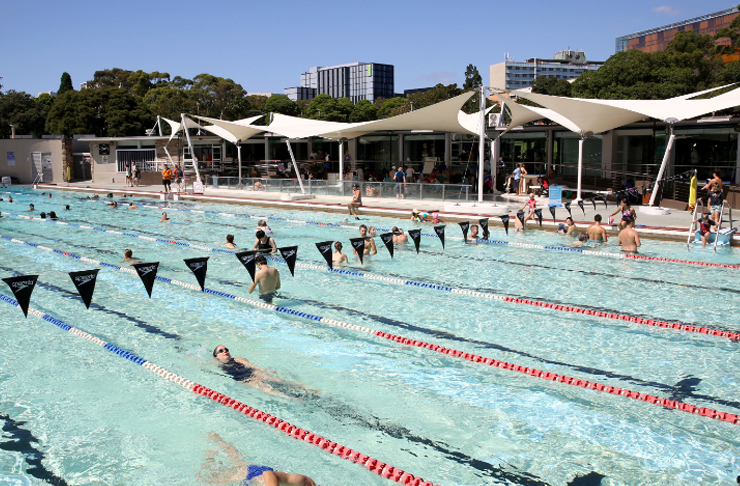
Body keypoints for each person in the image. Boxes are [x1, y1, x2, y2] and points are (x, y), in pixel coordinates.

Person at [200, 433, 317, 486]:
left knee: (237, 459)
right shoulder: (305, 483)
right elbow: (268, 474)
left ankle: (218, 441)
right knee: (210, 481)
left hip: (254, 480)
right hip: (255, 475)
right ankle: (210, 455)